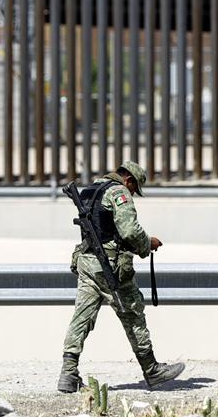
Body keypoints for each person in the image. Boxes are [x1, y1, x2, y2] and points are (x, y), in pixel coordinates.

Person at [58, 161, 185, 392]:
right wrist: (147, 244)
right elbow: (129, 231)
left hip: (87, 262)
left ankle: (68, 374)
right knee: (133, 313)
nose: (133, 193)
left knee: (82, 317)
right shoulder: (119, 193)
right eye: (135, 188)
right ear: (129, 180)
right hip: (110, 267)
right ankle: (152, 370)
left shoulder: (90, 190)